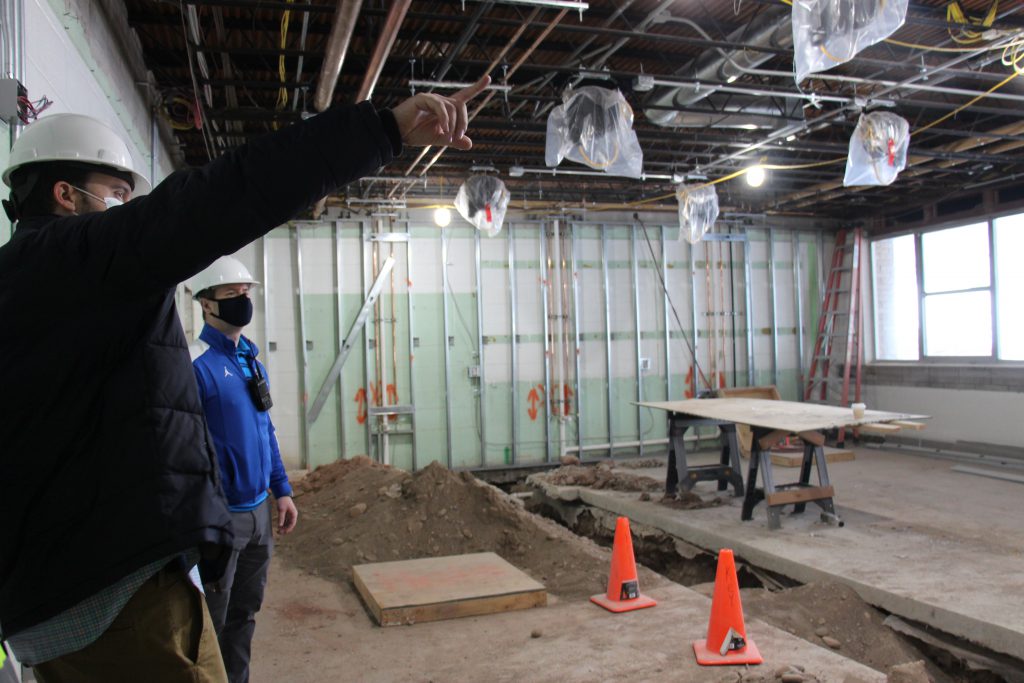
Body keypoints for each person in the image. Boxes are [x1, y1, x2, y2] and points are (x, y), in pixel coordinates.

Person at [0, 75, 491, 682]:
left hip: (105, 576)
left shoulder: (42, 289)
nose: (129, 208)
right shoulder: (73, 263)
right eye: (118, 193)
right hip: (107, 595)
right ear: (65, 194)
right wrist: (381, 129)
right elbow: (221, 196)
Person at [187, 256, 296, 683]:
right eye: (231, 294)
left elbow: (264, 429)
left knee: (244, 615)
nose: (243, 300)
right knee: (209, 623)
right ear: (206, 305)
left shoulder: (251, 361)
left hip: (258, 515)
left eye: (246, 293)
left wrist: (282, 489)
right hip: (220, 519)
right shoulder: (194, 366)